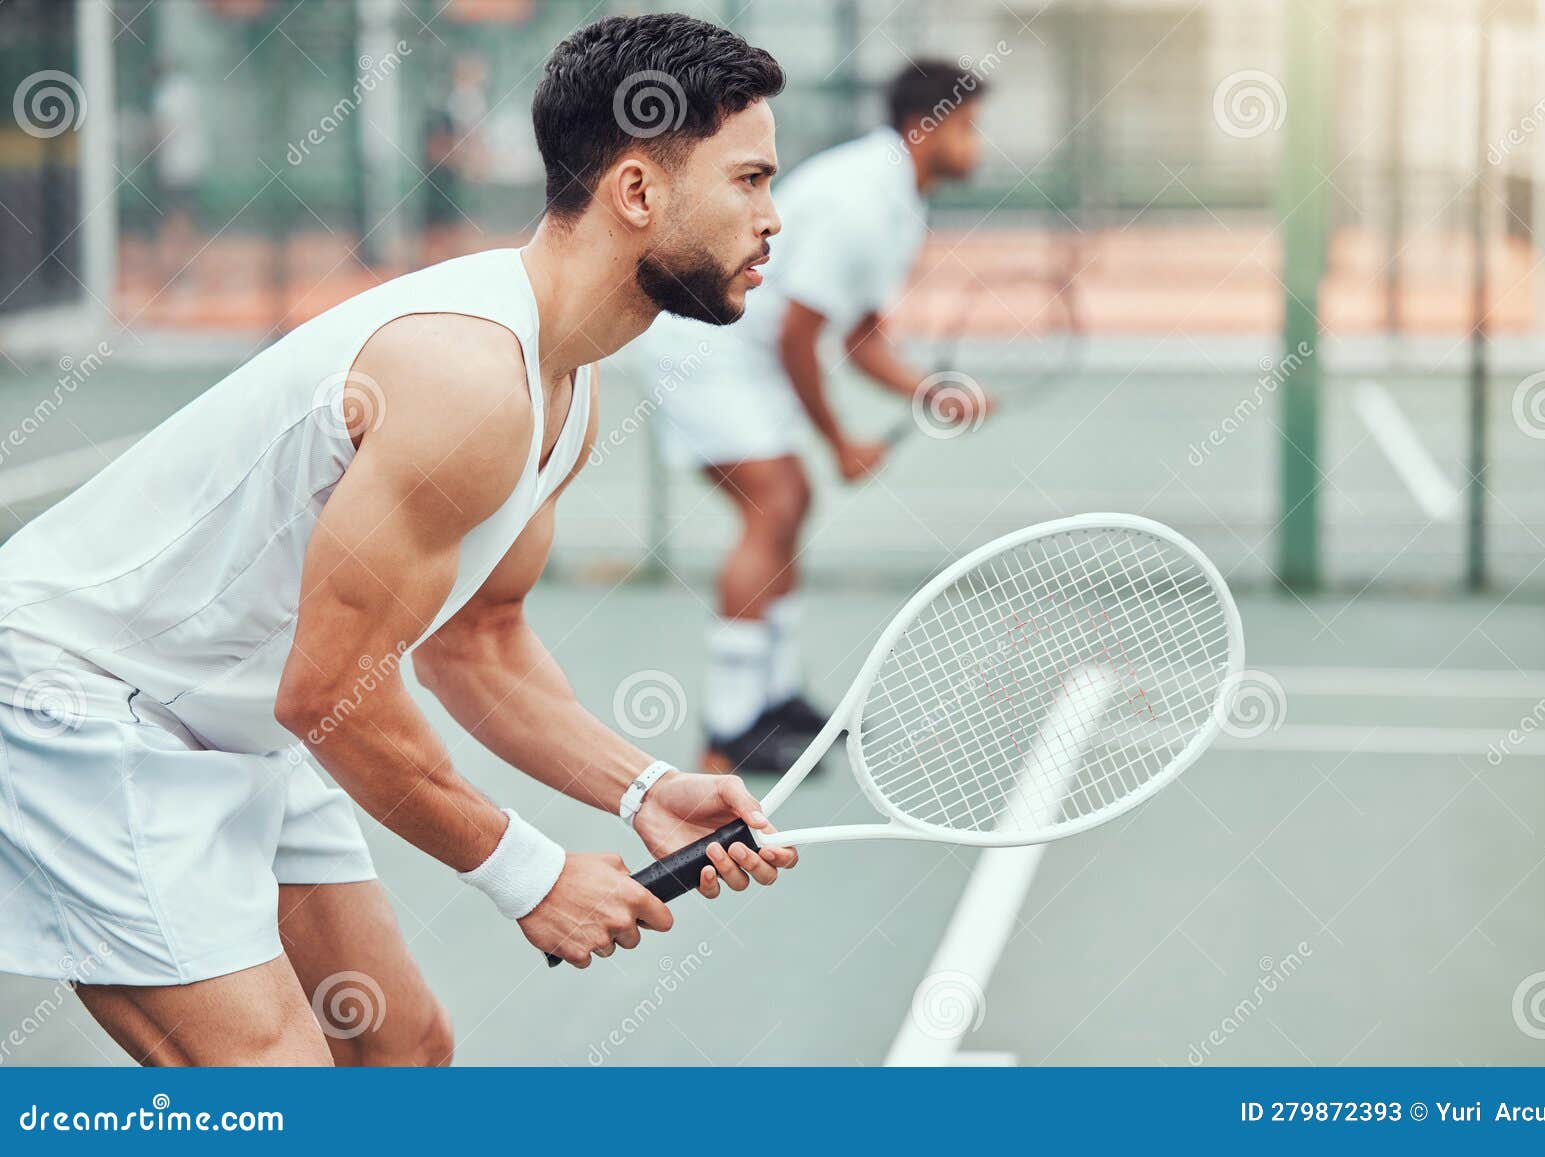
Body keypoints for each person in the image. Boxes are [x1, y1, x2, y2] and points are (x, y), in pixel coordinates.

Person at [0, 13, 793, 1067]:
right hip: (82, 694)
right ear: (638, 191)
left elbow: (479, 642)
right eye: (749, 180)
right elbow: (328, 693)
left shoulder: (565, 383)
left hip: (224, 712)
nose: (772, 217)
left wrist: (642, 788)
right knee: (272, 1087)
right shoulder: (464, 379)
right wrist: (533, 871)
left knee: (400, 1049)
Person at [639, 60, 991, 774]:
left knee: (789, 501)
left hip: (753, 353)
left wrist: (930, 391)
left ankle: (773, 698)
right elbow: (802, 335)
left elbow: (860, 337)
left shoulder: (903, 199)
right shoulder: (859, 199)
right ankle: (730, 727)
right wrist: (841, 443)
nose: (976, 144)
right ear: (925, 129)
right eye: (966, 127)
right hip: (707, 348)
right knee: (774, 501)